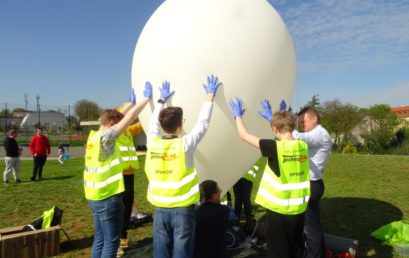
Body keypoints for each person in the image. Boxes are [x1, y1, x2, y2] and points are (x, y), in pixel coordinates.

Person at [145, 75, 222, 258]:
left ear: (163, 125)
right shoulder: (185, 145)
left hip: (159, 207)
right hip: (182, 208)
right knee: (182, 252)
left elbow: (153, 125)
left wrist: (161, 101)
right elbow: (203, 124)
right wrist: (210, 95)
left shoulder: (152, 142)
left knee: (161, 250)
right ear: (180, 125)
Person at [229, 98, 310, 258]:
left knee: (278, 252)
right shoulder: (302, 146)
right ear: (293, 126)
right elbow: (283, 135)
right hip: (299, 212)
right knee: (296, 250)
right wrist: (272, 120)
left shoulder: (274, 148)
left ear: (274, 128)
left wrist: (237, 116)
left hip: (279, 213)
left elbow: (244, 135)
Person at [84, 83, 152, 258]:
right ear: (113, 123)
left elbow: (112, 114)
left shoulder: (93, 136)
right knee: (111, 242)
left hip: (93, 196)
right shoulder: (107, 137)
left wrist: (128, 103)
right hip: (107, 197)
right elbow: (130, 116)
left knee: (99, 238)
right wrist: (146, 99)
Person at [293, 107, 332, 258]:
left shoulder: (320, 134)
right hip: (313, 183)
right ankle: (319, 253)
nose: (302, 125)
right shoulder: (317, 133)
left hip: (312, 184)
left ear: (314, 119)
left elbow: (300, 138)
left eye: (304, 121)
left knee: (310, 228)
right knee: (313, 224)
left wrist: (281, 122)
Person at [194, 180, 229, 258]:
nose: (220, 193)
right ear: (213, 195)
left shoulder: (196, 214)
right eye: (219, 191)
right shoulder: (224, 210)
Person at [232, 164, 259, 232]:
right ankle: (236, 222)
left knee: (245, 200)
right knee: (238, 200)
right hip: (237, 176)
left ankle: (249, 223)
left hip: (247, 176)